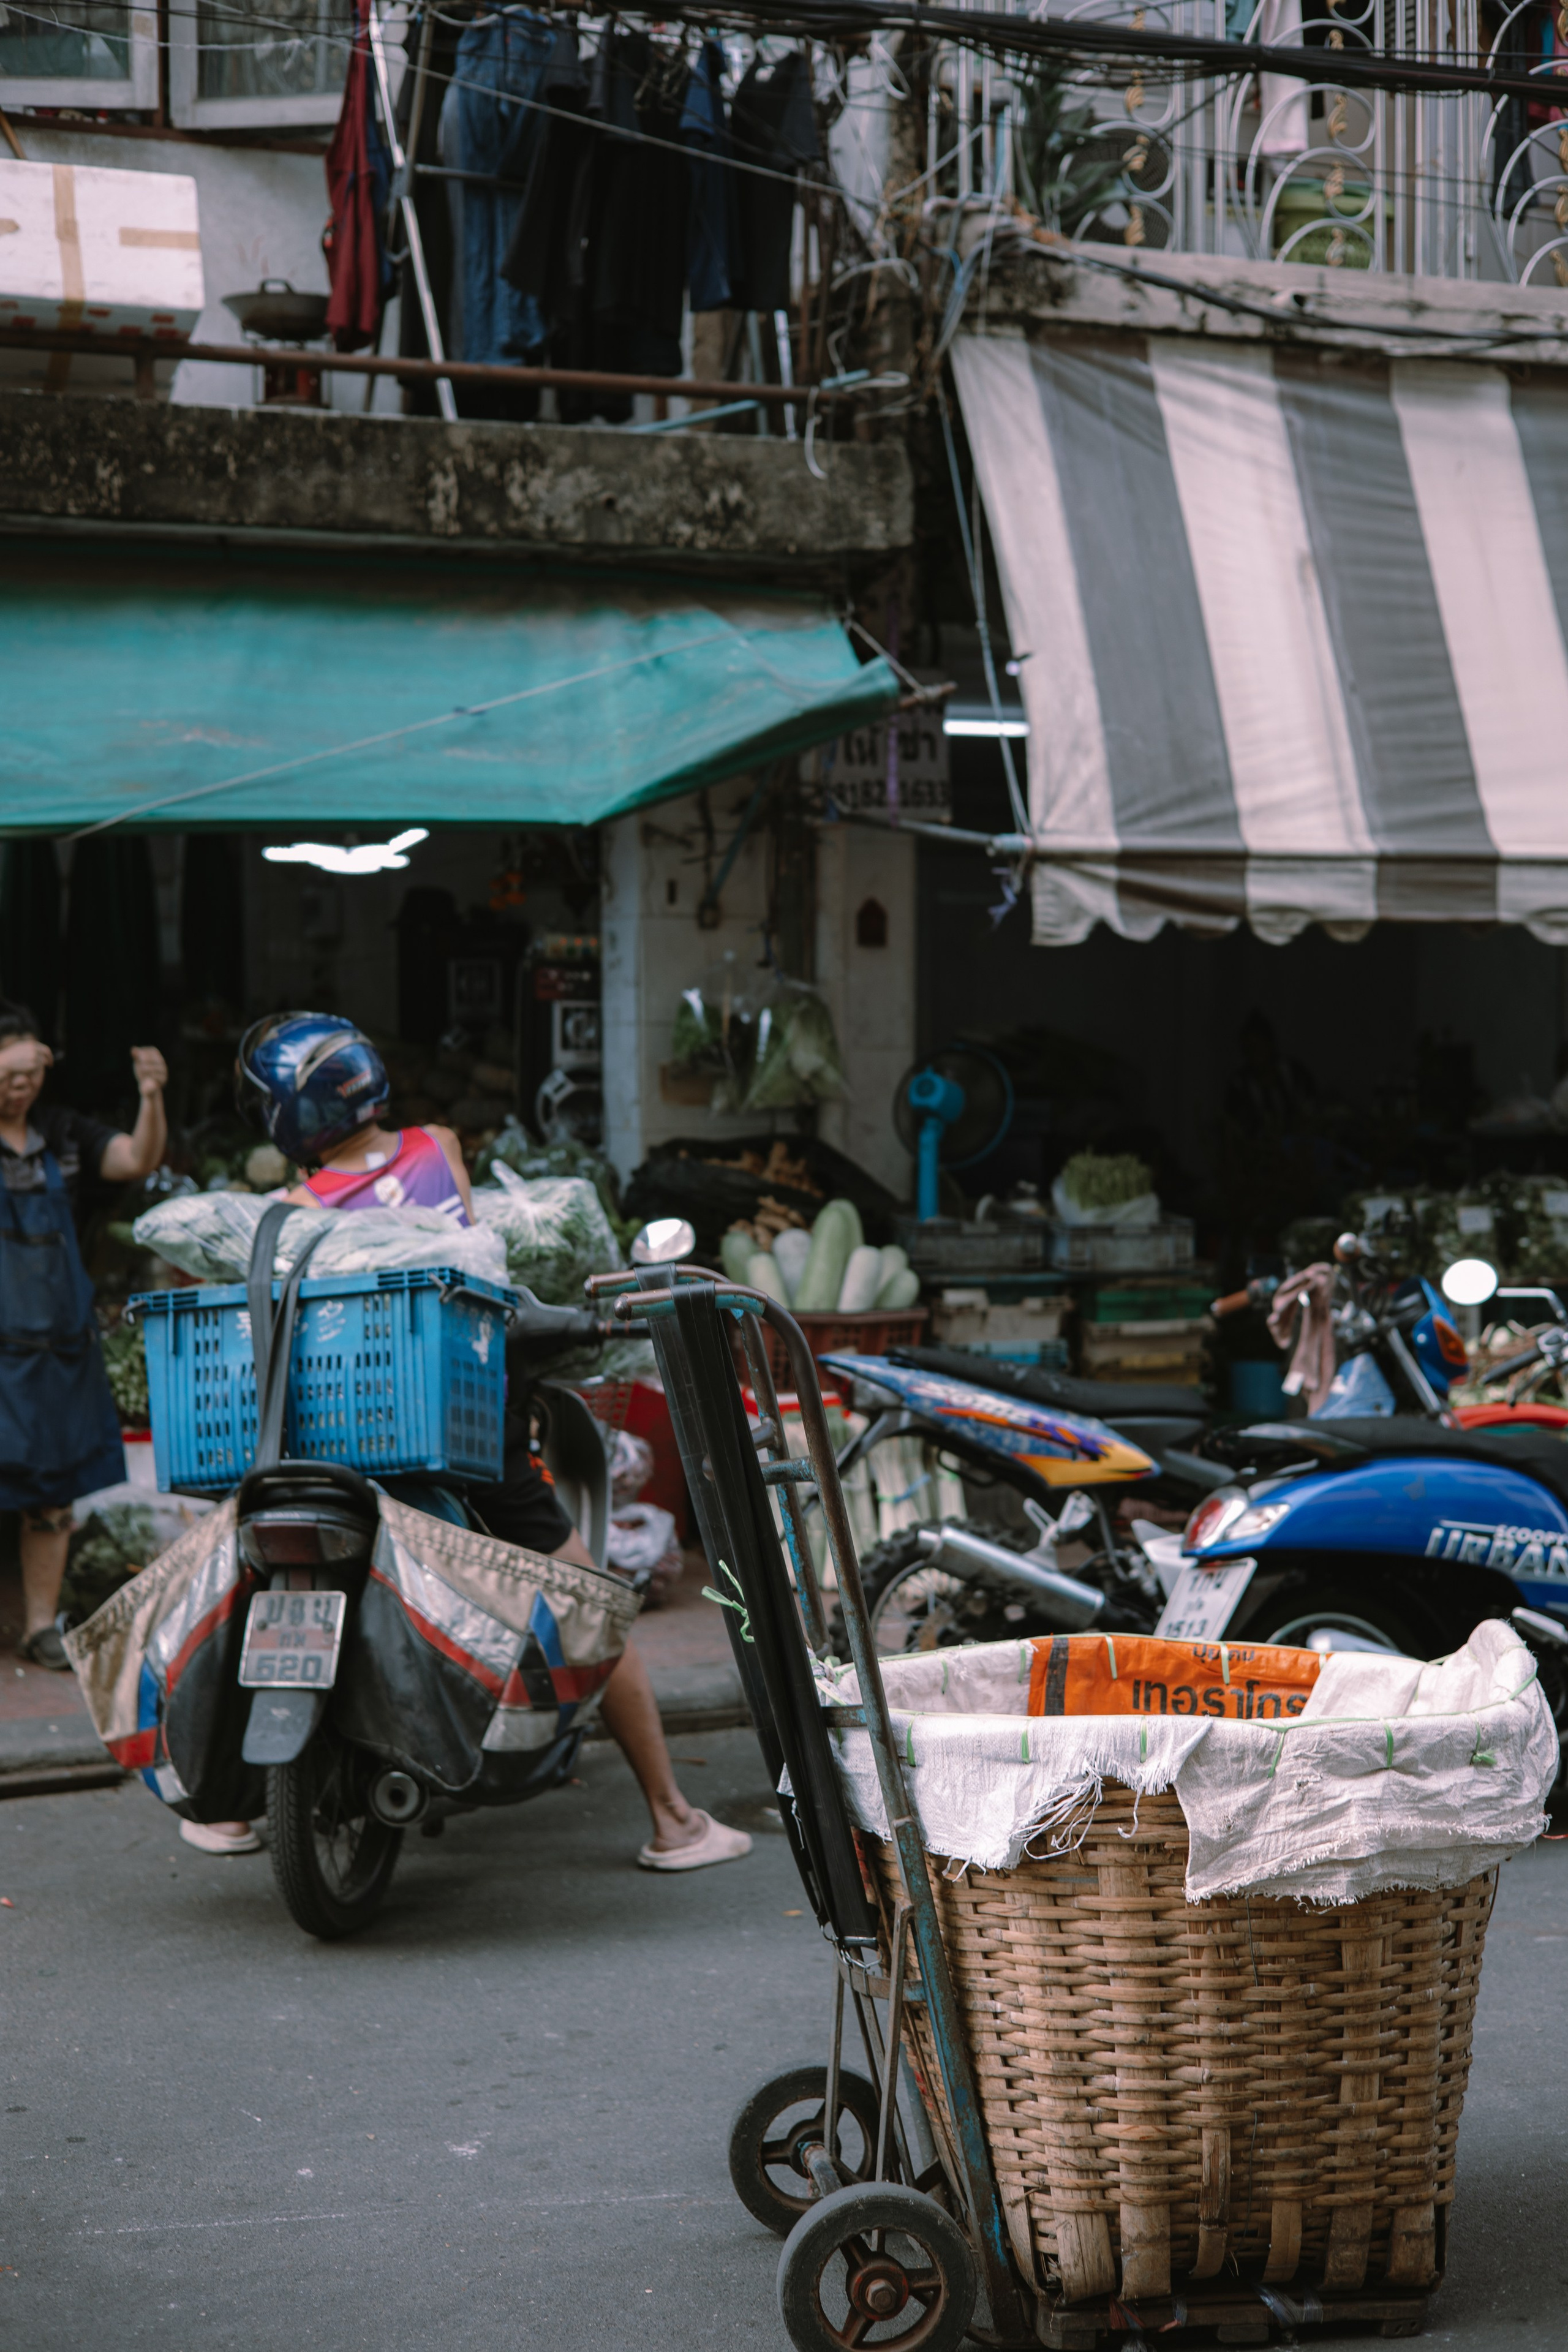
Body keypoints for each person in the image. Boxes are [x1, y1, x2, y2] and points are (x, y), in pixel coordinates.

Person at [207, 1010, 749, 1874]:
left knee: (235, 1573)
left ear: (286, 1118)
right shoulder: (440, 1146)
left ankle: (223, 1810)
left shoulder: (284, 1216)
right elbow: (476, 1248)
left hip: (325, 1444)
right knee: (586, 1596)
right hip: (460, 1431)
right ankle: (673, 1818)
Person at [0, 1001, 169, 1672]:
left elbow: (134, 1158)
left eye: (32, 1071)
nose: (23, 1086)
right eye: (10, 1073)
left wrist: (151, 1097)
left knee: (50, 1498)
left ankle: (41, 1626)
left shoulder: (61, 1133)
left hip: (55, 1348)